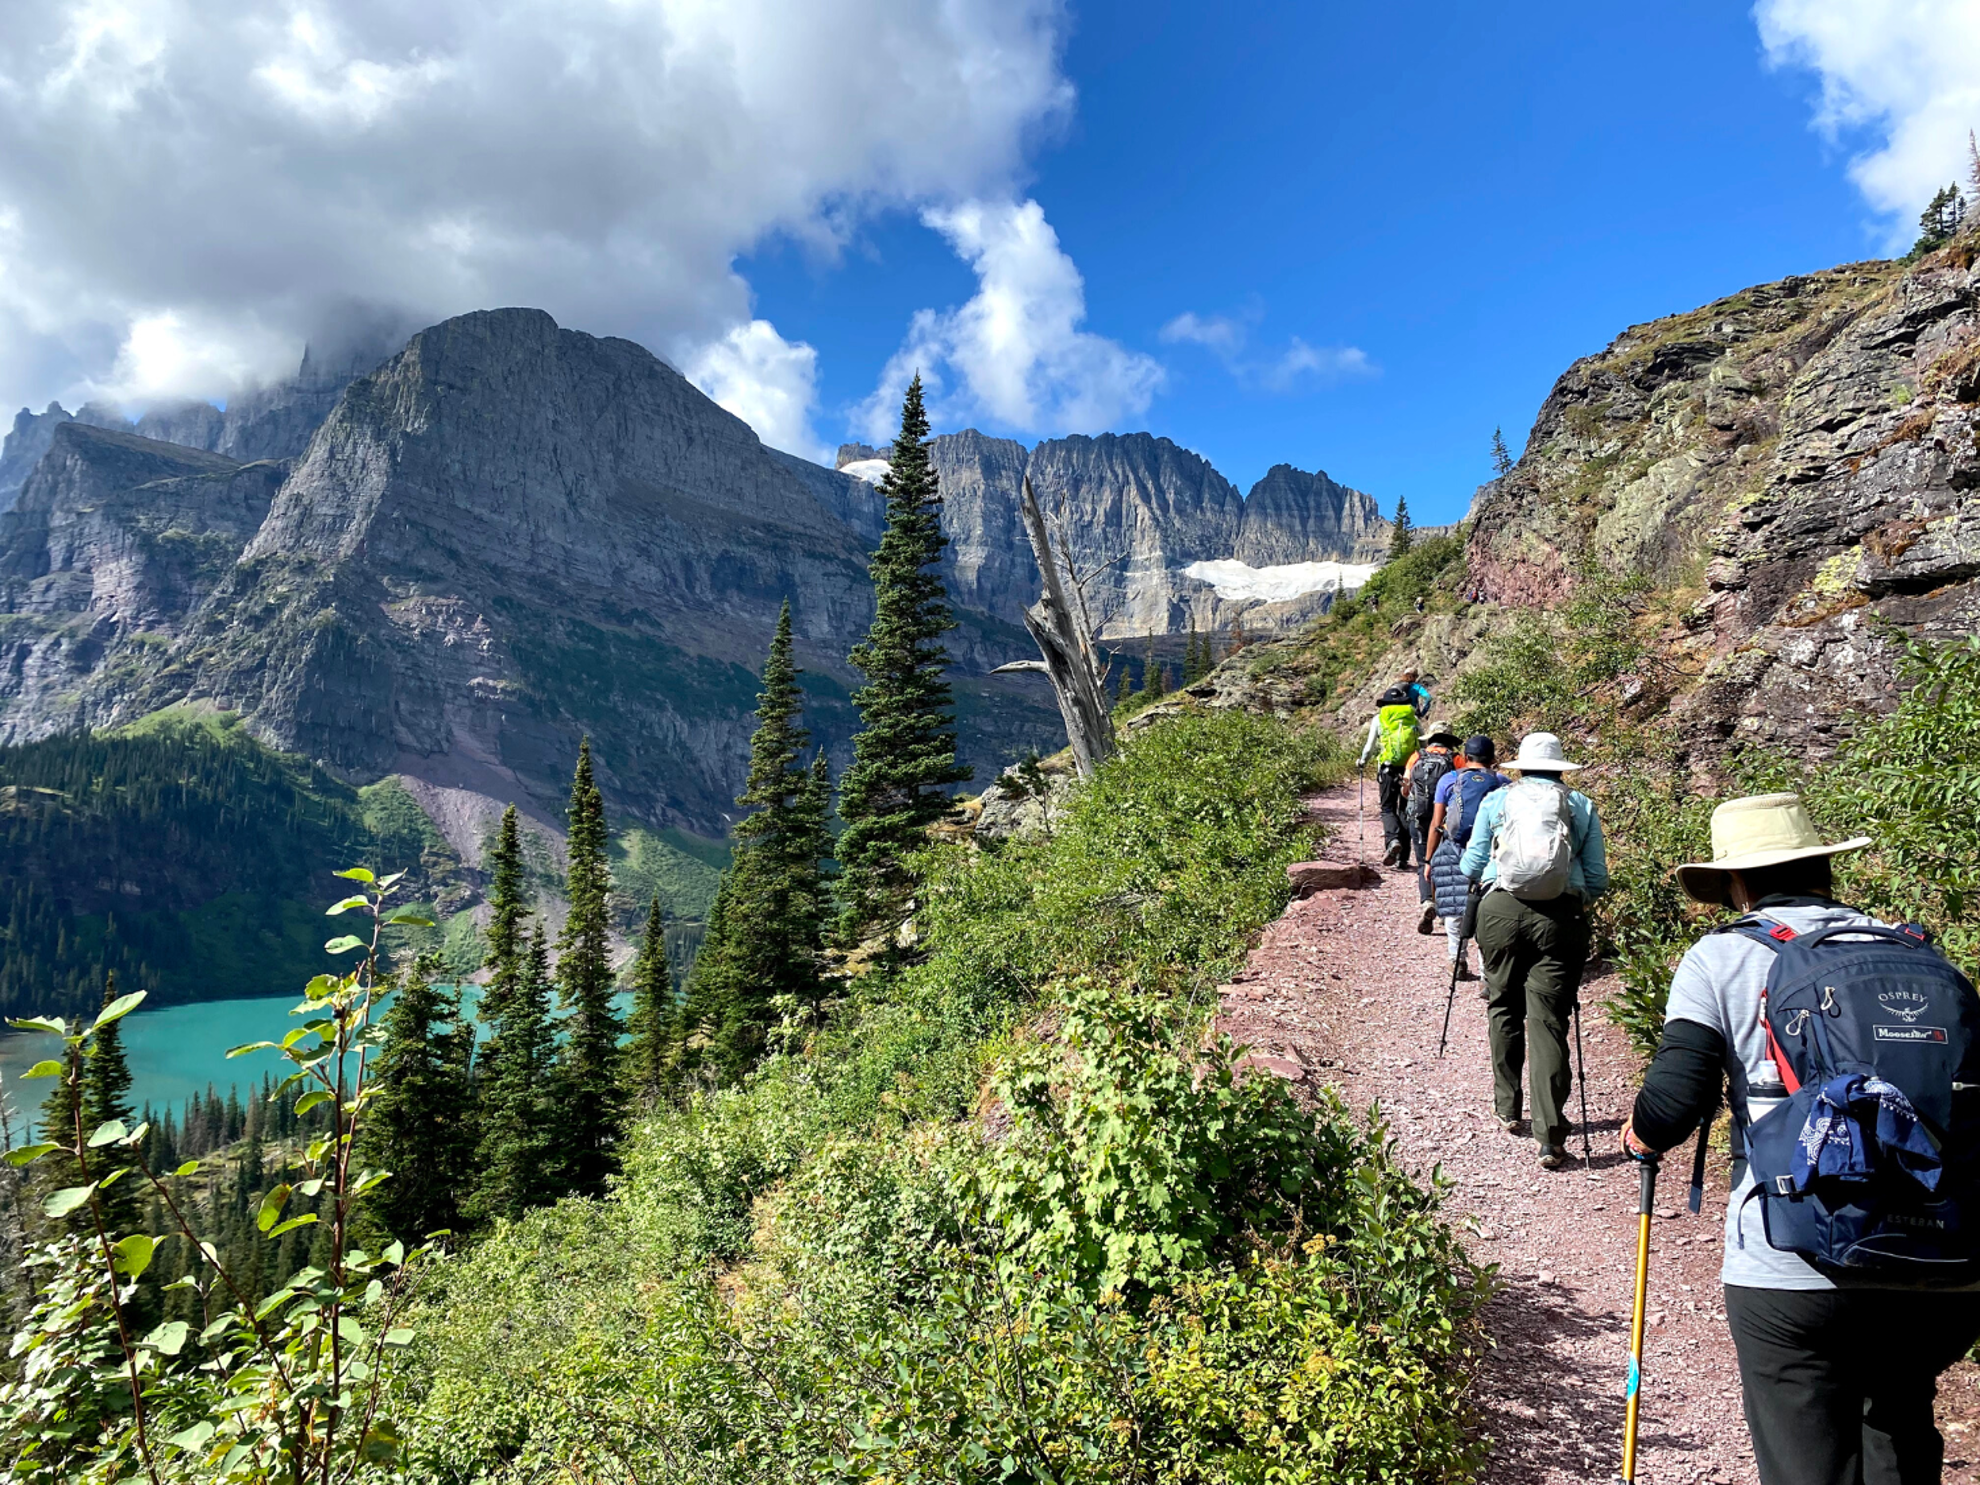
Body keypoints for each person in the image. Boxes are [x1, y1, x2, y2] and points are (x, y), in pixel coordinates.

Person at [1622, 794, 1980, 1485]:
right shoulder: (1911, 951)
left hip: (1791, 1265)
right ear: (1824, 868)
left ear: (1736, 880)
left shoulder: (1720, 957)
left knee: (1806, 1462)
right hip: (1940, 1257)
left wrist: (1642, 1134)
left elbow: (1673, 1100)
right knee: (1901, 1423)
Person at [1459, 731, 1608, 1169]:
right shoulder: (1580, 805)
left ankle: (1508, 1108)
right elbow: (1597, 877)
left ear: (1519, 767)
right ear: (1562, 768)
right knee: (1548, 1020)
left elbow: (1471, 864)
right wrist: (1574, 896)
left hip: (1500, 909)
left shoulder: (1497, 801)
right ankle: (1550, 1136)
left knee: (1502, 1003)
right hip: (1560, 917)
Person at [1425, 735, 1508, 976]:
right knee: (1485, 910)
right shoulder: (1503, 782)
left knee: (1453, 907)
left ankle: (1457, 959)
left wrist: (1429, 859)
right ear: (1492, 758)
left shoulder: (1449, 780)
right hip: (1490, 850)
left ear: (1466, 757)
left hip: (1454, 847)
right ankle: (1486, 972)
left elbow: (1436, 823)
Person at [1357, 683, 1423, 869]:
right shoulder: (1412, 718)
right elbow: (1424, 742)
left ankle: (1393, 840)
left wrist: (1362, 762)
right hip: (1410, 770)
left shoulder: (1380, 718)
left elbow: (1369, 747)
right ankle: (1403, 858)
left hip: (1387, 769)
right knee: (1405, 810)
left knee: (1387, 808)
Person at [1402, 724, 1461, 930]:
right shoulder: (1455, 759)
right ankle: (1445, 910)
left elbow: (1406, 788)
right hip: (1445, 818)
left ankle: (1427, 901)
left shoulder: (1416, 756)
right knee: (1446, 862)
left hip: (1418, 817)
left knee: (1423, 863)